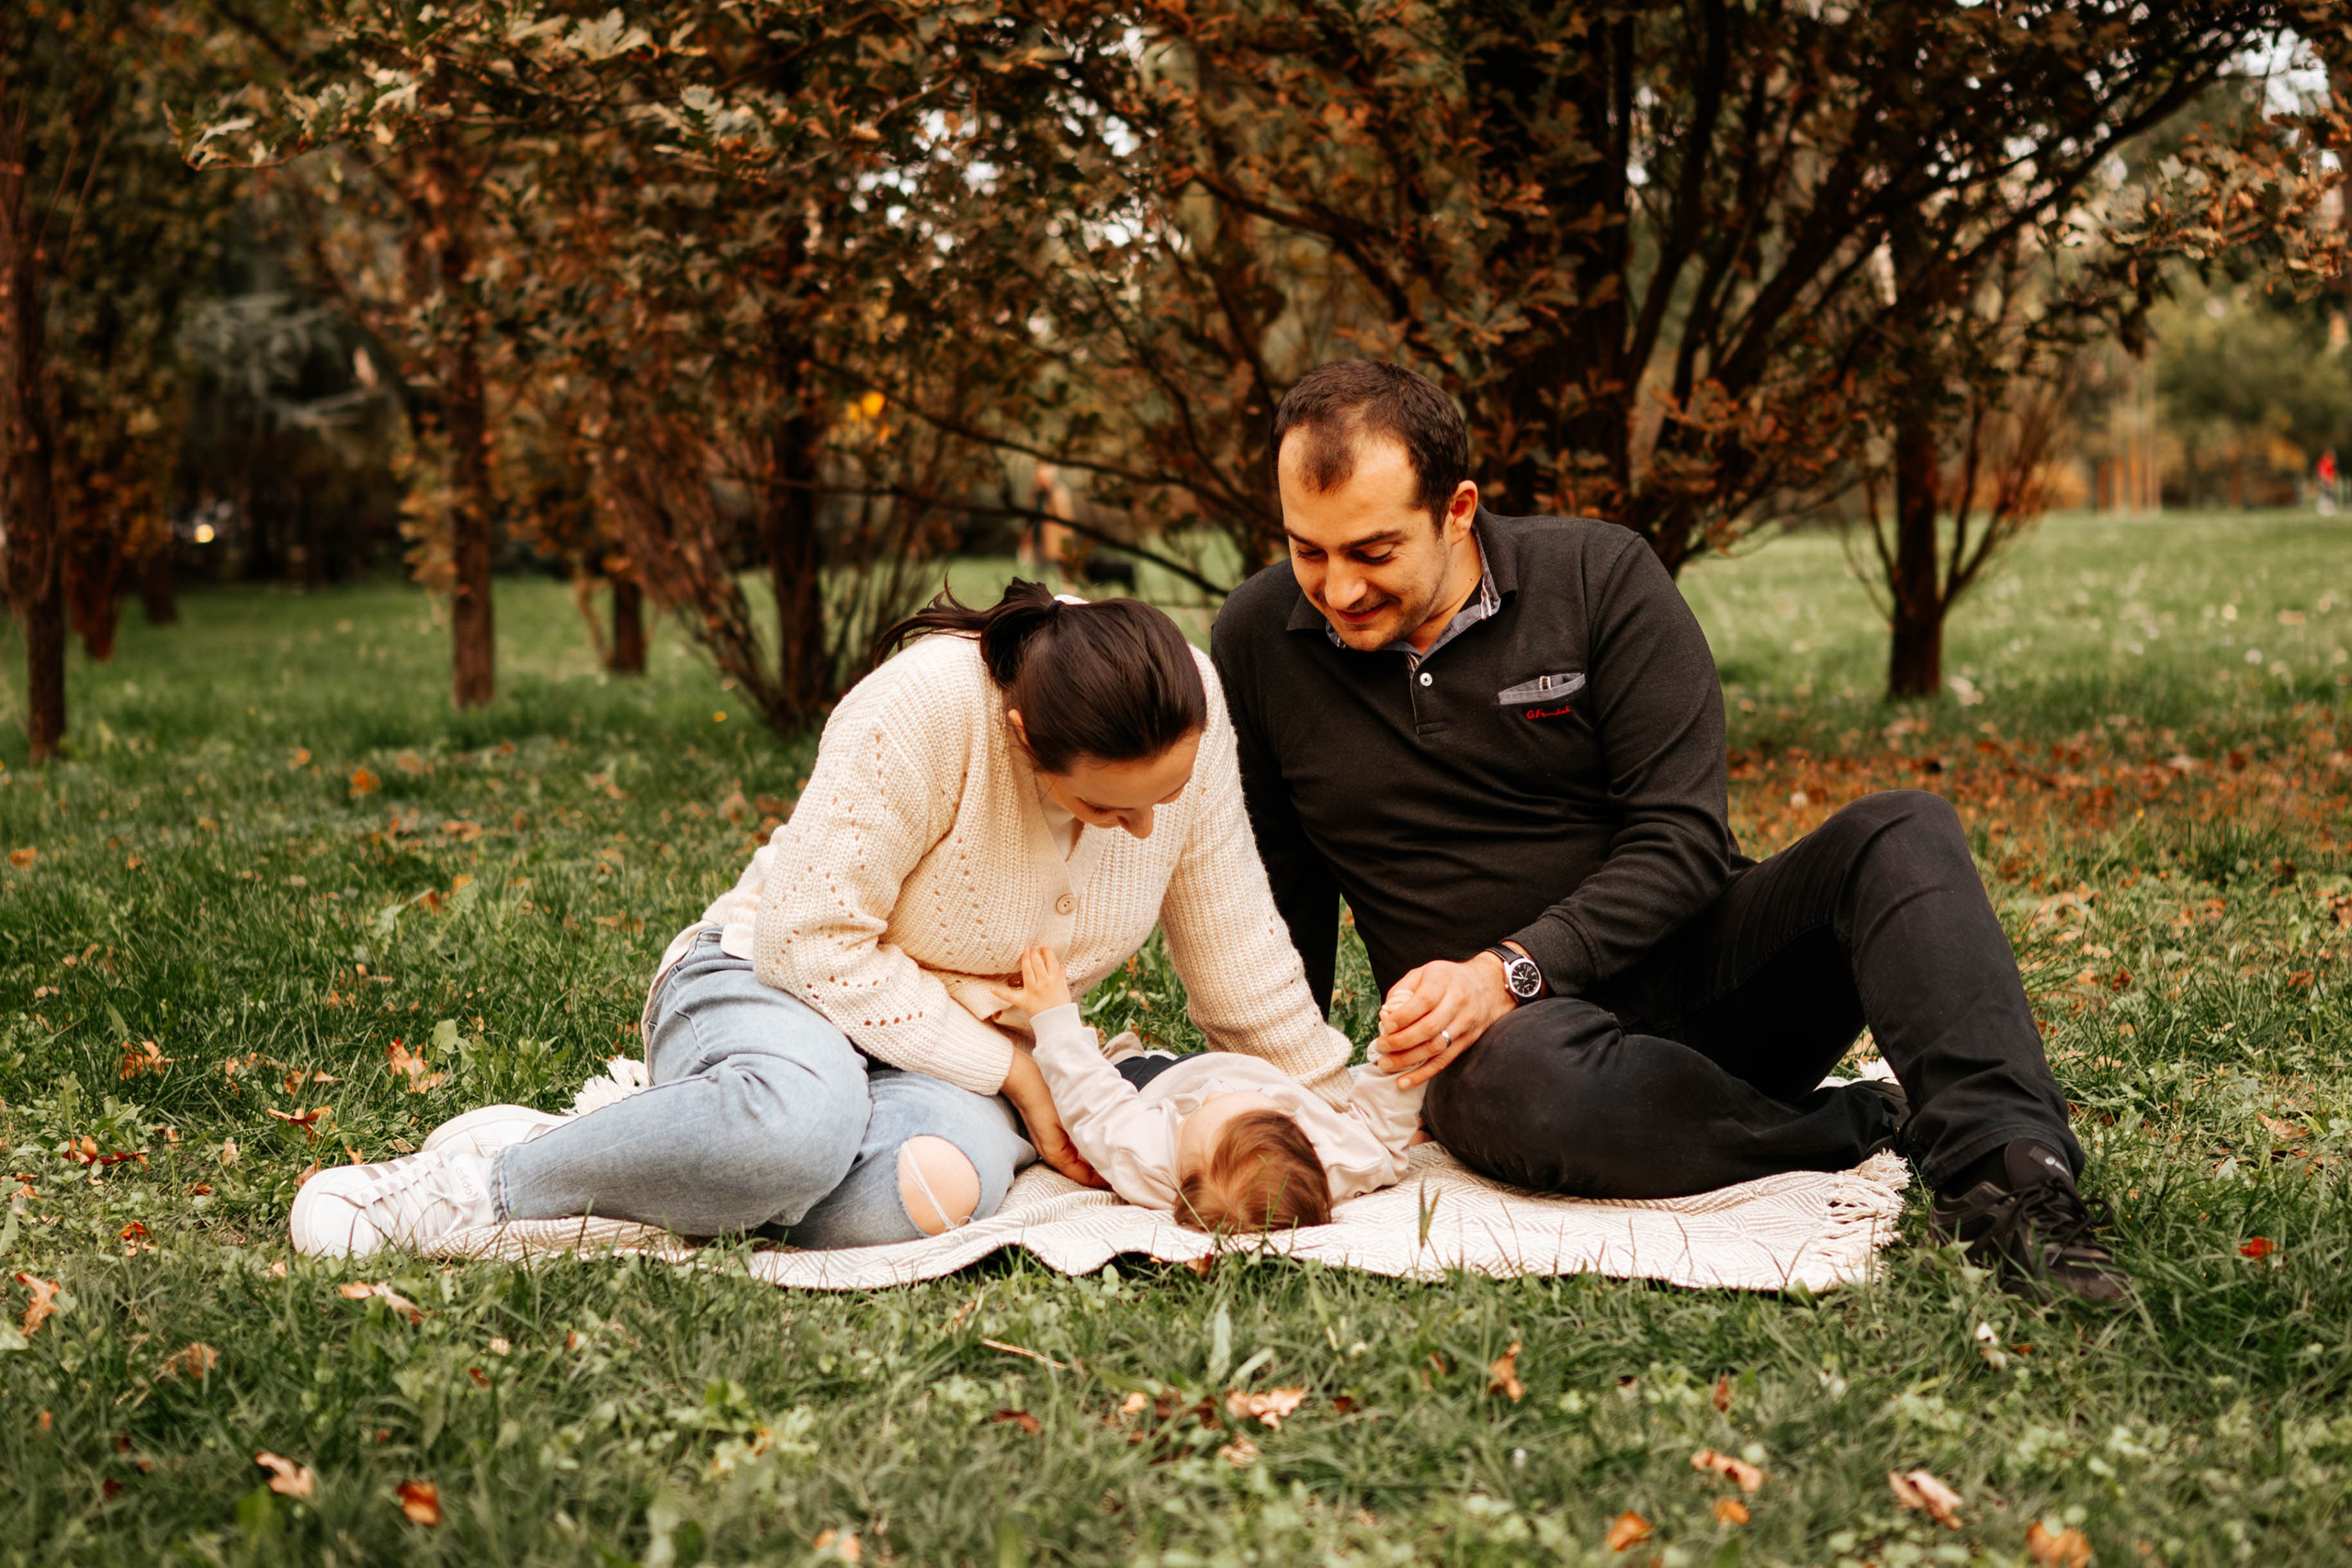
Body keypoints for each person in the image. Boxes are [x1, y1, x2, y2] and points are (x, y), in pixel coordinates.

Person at [1210, 359, 2128, 1302]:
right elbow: (1278, 890)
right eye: (1305, 551)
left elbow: (1683, 842)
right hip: (1514, 1063)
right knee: (1512, 1085)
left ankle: (2011, 1184)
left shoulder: (1600, 579)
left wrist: (1508, 969)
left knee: (1903, 829)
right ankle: (1844, 1126)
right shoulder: (1255, 638)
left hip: (1712, 987)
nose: (1336, 588)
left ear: (1457, 510)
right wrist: (1265, 1100)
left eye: (1371, 551)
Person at [290, 581, 1353, 1258]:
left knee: (926, 1194)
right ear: (1028, 738)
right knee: (799, 1125)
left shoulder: (1188, 718)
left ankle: (670, 1159)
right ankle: (489, 1179)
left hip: (943, 1055)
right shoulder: (929, 708)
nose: (1139, 830)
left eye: (1157, 806)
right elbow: (808, 938)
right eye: (1104, 805)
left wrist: (1338, 1111)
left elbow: (1239, 956)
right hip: (767, 982)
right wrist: (1020, 1070)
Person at [991, 944, 1424, 1232]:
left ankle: (1121, 1055)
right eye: (1229, 1105)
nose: (1213, 1092)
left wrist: (1053, 1016)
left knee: (1111, 1074)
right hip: (1234, 1069)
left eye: (1199, 1113)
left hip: (1151, 1088)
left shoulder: (1146, 1156)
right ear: (1298, 1134)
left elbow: (1095, 1104)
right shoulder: (1339, 1160)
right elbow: (1382, 1135)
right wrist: (1400, 1049)